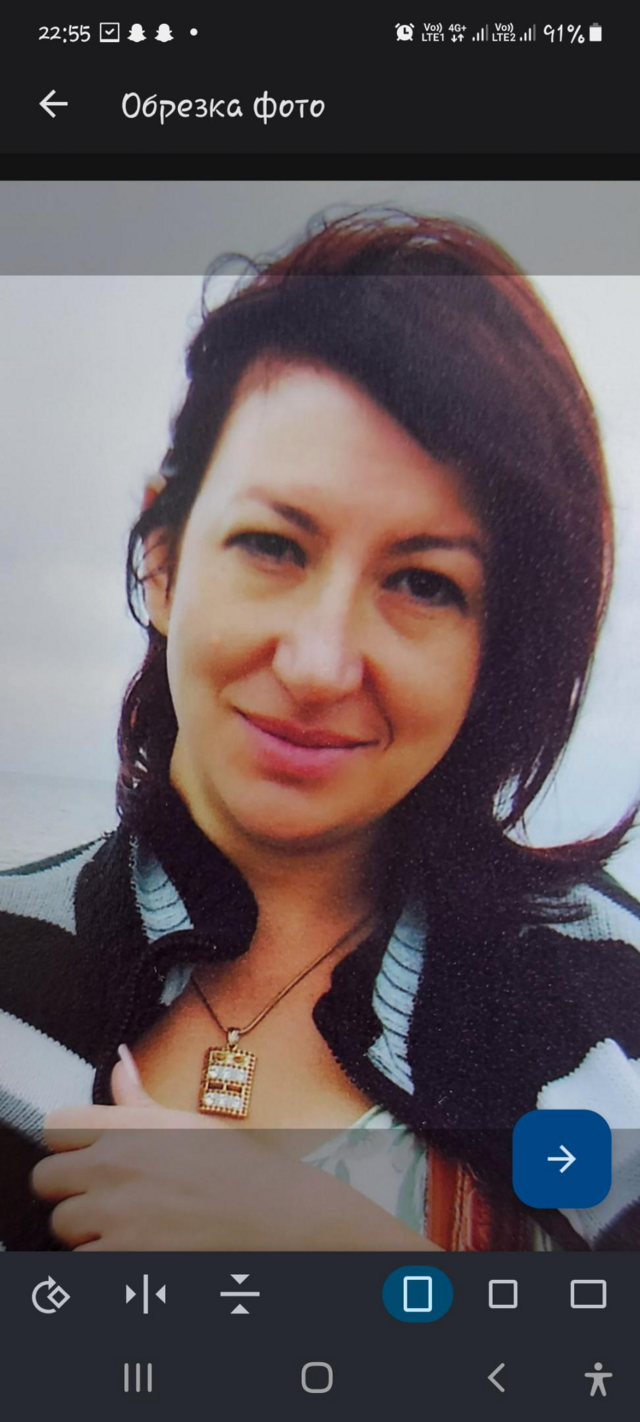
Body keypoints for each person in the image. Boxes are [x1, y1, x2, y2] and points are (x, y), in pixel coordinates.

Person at [1, 208, 640, 1253]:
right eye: (273, 545)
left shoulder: (606, 999)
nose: (318, 664)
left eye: (423, 583)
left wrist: (354, 1262)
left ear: (497, 647)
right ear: (164, 557)